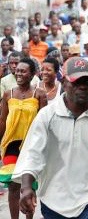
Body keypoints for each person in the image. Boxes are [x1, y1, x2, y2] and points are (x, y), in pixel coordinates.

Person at [12, 57, 88, 219]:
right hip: (54, 200)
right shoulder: (47, 116)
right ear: (64, 82)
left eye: (86, 81)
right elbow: (33, 154)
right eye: (76, 82)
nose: (82, 87)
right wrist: (26, 187)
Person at [0, 58, 47, 219]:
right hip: (11, 144)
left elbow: (44, 122)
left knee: (29, 185)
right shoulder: (8, 94)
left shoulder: (39, 94)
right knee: (13, 186)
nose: (19, 73)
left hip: (31, 145)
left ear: (32, 74)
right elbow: (2, 121)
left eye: (23, 71)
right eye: (17, 70)